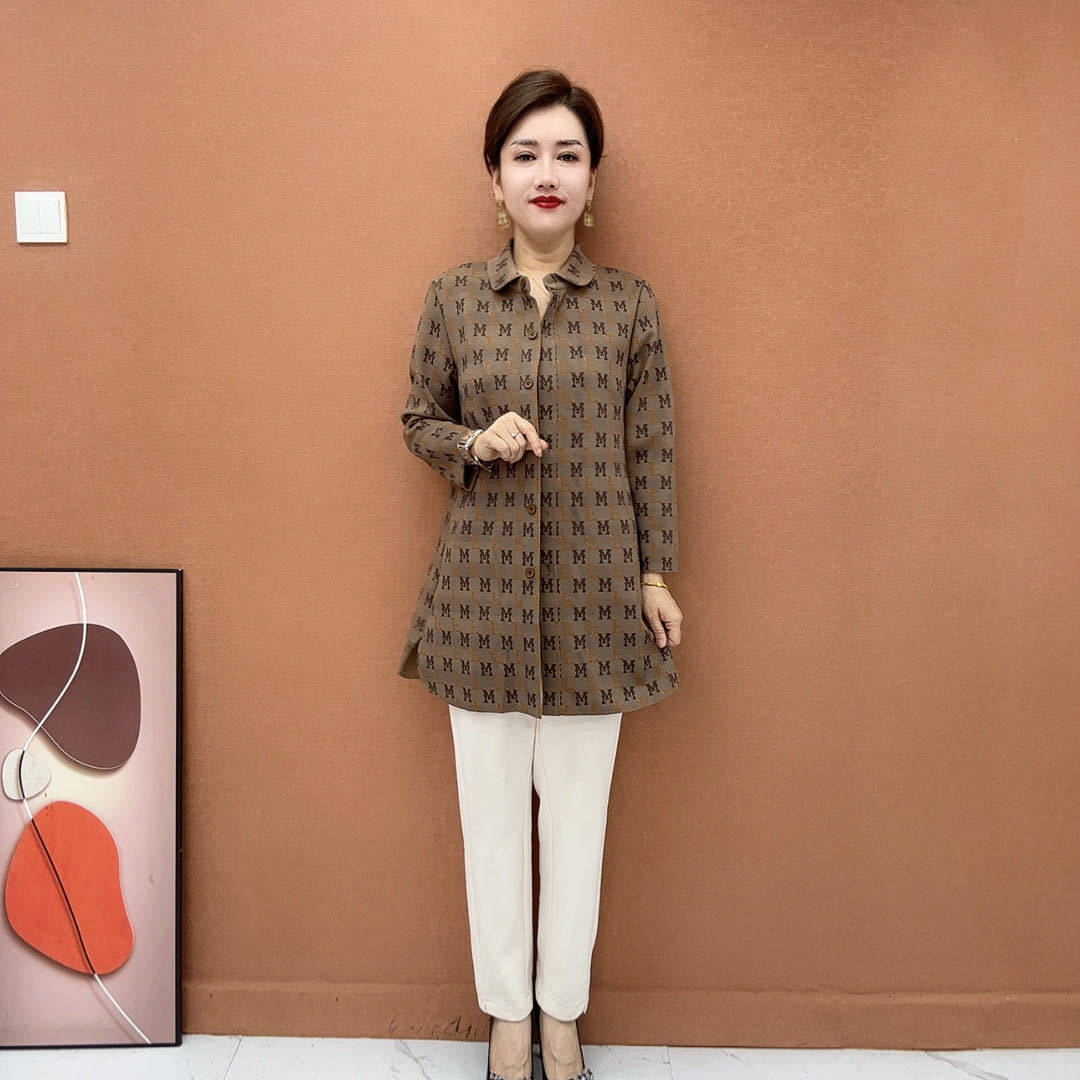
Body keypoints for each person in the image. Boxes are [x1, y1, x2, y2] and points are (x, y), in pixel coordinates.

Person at [397, 68, 684, 1080]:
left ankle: (561, 1014)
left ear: (591, 179)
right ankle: (506, 1020)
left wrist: (656, 576)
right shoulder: (452, 299)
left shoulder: (631, 308)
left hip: (597, 609)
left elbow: (652, 449)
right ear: (496, 178)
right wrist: (474, 443)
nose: (546, 172)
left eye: (567, 153)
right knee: (491, 835)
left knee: (576, 832)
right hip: (476, 609)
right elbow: (417, 420)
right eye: (525, 154)